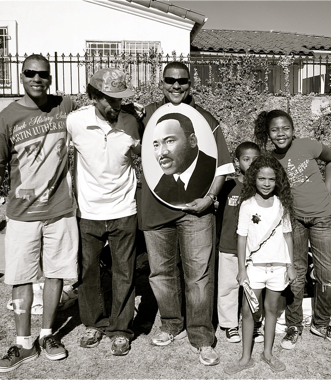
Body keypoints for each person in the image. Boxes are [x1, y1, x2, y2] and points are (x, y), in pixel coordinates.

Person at [0, 54, 78, 373]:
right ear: (21, 76)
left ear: (51, 77)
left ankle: (48, 335)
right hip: (22, 214)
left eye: (43, 74)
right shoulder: (7, 117)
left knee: (55, 273)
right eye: (30, 73)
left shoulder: (67, 107)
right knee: (21, 278)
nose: (37, 78)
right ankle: (24, 344)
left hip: (61, 210)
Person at [138, 61, 234, 366]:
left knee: (199, 276)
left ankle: (202, 336)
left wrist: (209, 198)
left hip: (197, 210)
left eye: (182, 81)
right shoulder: (149, 114)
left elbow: (223, 166)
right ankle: (170, 324)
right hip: (156, 208)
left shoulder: (204, 119)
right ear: (162, 82)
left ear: (190, 83)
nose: (176, 86)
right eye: (170, 80)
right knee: (161, 273)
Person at [253, 110, 331, 350]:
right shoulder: (270, 160)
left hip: (323, 218)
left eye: (285, 128)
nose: (280, 133)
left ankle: (322, 324)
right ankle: (294, 326)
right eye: (274, 130)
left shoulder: (307, 146)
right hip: (294, 221)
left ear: (293, 130)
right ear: (269, 134)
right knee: (295, 274)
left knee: (326, 274)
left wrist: (327, 189)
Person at [66, 68, 140, 356]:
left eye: (121, 99)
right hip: (88, 211)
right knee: (88, 273)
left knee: (124, 272)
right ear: (94, 97)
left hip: (124, 208)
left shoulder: (131, 122)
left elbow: (143, 153)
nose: (117, 105)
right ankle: (94, 324)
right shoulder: (75, 122)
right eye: (111, 99)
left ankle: (120, 329)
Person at [224, 154, 296, 375]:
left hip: (278, 268)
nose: (266, 184)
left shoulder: (282, 204)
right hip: (254, 268)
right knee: (248, 311)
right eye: (262, 179)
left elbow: (288, 235)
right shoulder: (246, 205)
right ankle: (245, 358)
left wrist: (290, 265)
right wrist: (242, 270)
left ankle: (267, 353)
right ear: (254, 178)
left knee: (271, 309)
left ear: (277, 181)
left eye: (271, 180)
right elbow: (241, 237)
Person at [217, 141, 264, 344]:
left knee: (253, 287)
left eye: (255, 159)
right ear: (237, 162)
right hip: (228, 245)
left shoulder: (263, 187)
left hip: (255, 248)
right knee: (228, 286)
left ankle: (253, 324)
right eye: (246, 159)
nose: (251, 163)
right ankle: (229, 325)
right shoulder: (227, 186)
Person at [152, 112, 216, 206]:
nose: (161, 152)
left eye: (170, 141)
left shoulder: (213, 170)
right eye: (156, 145)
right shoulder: (160, 188)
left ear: (192, 141)